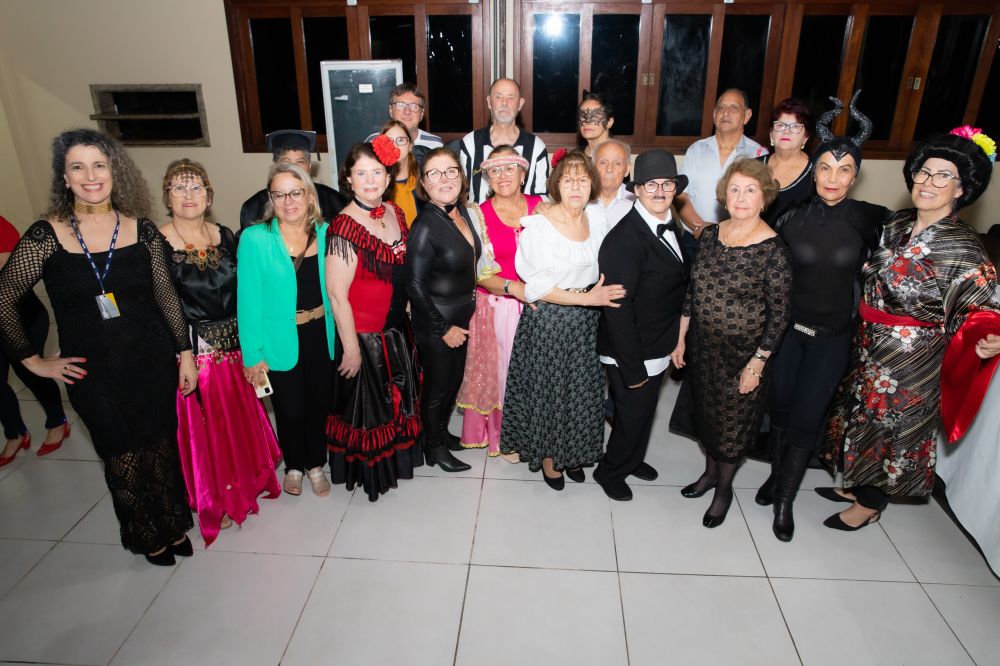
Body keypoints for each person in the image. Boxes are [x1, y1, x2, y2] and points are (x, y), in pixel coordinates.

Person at [0, 128, 197, 565]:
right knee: (122, 453)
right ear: (64, 178)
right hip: (93, 373)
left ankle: (172, 523)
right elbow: (4, 296)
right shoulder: (46, 235)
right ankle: (147, 534)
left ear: (114, 172)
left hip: (151, 362)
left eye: (99, 165)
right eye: (78, 167)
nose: (91, 176)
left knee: (160, 447)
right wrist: (33, 361)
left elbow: (166, 295)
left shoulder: (142, 230)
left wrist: (185, 354)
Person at [819, 126, 1000, 531]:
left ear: (961, 189)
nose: (928, 182)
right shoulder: (898, 223)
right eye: (923, 172)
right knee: (859, 416)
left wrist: (989, 338)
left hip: (911, 358)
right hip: (869, 342)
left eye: (943, 176)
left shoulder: (964, 248)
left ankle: (870, 503)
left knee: (891, 427)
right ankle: (858, 484)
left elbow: (981, 311)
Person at [755, 95, 888, 542]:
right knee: (779, 411)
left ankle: (785, 501)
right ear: (814, 170)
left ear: (855, 175)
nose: (833, 178)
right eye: (826, 168)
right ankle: (775, 476)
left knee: (807, 418)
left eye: (844, 170)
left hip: (832, 340)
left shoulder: (870, 220)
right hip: (788, 334)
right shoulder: (791, 216)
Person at [159, 159, 281, 546]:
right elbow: (161, 305)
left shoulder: (224, 235)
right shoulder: (157, 242)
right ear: (167, 196)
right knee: (208, 429)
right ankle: (215, 497)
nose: (189, 195)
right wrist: (183, 354)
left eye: (196, 187)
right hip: (195, 352)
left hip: (235, 346)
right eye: (179, 187)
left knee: (239, 421)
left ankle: (245, 481)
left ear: (209, 196)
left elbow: (246, 292)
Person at [671, 158, 791, 527]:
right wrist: (680, 339)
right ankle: (709, 475)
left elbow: (779, 317)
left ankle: (723, 490)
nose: (740, 197)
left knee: (731, 428)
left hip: (742, 357)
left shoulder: (773, 250)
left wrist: (757, 363)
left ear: (763, 198)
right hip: (703, 348)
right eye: (734, 189)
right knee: (706, 418)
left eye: (750, 190)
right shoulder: (710, 236)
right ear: (725, 195)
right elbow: (692, 292)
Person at [500, 151, 625, 489]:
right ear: (556, 185)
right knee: (551, 393)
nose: (576, 186)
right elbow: (537, 288)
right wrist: (587, 298)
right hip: (551, 320)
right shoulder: (539, 227)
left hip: (586, 322)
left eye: (583, 179)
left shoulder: (596, 217)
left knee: (581, 390)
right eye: (568, 180)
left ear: (592, 185)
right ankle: (549, 458)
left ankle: (572, 452)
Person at [326, 139, 424, 501]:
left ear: (387, 177)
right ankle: (372, 476)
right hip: (364, 339)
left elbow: (401, 269)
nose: (370, 181)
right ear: (348, 179)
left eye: (377, 173)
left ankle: (397, 463)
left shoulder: (395, 213)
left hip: (396, 331)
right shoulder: (344, 228)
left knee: (398, 402)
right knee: (370, 413)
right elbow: (337, 295)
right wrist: (351, 349)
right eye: (361, 173)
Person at [593, 150, 689, 502]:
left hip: (657, 341)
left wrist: (677, 339)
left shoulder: (670, 224)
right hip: (630, 349)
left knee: (643, 413)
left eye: (667, 184)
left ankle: (631, 459)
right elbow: (617, 311)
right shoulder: (624, 239)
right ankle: (610, 470)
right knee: (632, 415)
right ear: (637, 189)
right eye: (651, 184)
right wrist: (632, 368)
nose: (660, 191)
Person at [238, 163, 337, 497]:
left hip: (322, 334)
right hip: (278, 339)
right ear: (271, 198)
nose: (288, 201)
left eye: (295, 192)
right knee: (290, 408)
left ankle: (316, 464)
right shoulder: (255, 239)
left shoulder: (327, 232)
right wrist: (252, 355)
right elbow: (248, 301)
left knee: (318, 404)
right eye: (279, 194)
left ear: (309, 196)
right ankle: (294, 464)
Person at [454, 145, 543, 459]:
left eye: (509, 168)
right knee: (504, 376)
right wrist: (513, 288)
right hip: (497, 305)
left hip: (540, 304)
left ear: (523, 174)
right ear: (488, 178)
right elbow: (476, 272)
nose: (502, 176)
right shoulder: (476, 214)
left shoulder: (542, 207)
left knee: (537, 374)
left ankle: (537, 432)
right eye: (494, 170)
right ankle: (507, 437)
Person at [405, 148, 481, 473]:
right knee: (438, 387)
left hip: (460, 318)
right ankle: (433, 448)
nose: (444, 179)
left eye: (450, 171)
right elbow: (414, 286)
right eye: (434, 173)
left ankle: (440, 432)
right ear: (424, 183)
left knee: (452, 382)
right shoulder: (425, 226)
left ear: (461, 177)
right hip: (436, 322)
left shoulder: (459, 212)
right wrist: (443, 328)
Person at [0, 214, 70, 467]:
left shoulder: (1, 226)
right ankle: (15, 433)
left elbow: (8, 281)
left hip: (22, 316)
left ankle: (57, 421)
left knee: (30, 371)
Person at [675, 89, 768, 255]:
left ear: (747, 115)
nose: (726, 113)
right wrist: (701, 229)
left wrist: (724, 232)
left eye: (734, 108)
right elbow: (680, 195)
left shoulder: (758, 154)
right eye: (721, 107)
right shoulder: (696, 149)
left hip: (739, 243)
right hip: (695, 239)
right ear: (714, 114)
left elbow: (761, 203)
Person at [459, 78, 550, 203]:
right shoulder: (470, 143)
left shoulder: (537, 147)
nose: (504, 103)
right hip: (478, 215)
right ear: (489, 102)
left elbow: (541, 198)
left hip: (525, 215)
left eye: (511, 97)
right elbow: (460, 192)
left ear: (520, 104)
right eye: (498, 97)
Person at [239, 130, 348, 229]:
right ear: (276, 166)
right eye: (286, 162)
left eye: (300, 162)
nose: (293, 168)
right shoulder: (253, 208)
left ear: (309, 166)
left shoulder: (335, 202)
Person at [757, 98, 814, 223]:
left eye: (795, 126)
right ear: (771, 134)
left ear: (806, 137)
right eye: (780, 125)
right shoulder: (752, 167)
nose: (786, 131)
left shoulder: (816, 173)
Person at [364, 82, 443, 164]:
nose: (407, 112)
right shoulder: (373, 142)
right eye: (400, 105)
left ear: (422, 114)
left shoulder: (435, 145)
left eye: (414, 106)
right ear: (391, 110)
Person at [379, 120, 422, 226]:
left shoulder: (423, 181)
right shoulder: (377, 185)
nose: (395, 146)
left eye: (401, 140)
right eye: (389, 141)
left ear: (410, 146)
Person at [592, 139, 635, 227]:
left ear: (627, 169)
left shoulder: (637, 203)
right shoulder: (581, 199)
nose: (609, 169)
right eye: (603, 163)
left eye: (617, 163)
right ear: (592, 167)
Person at [577, 91, 615, 158]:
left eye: (595, 116)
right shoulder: (576, 156)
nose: (587, 121)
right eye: (583, 116)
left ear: (609, 122)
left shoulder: (617, 156)